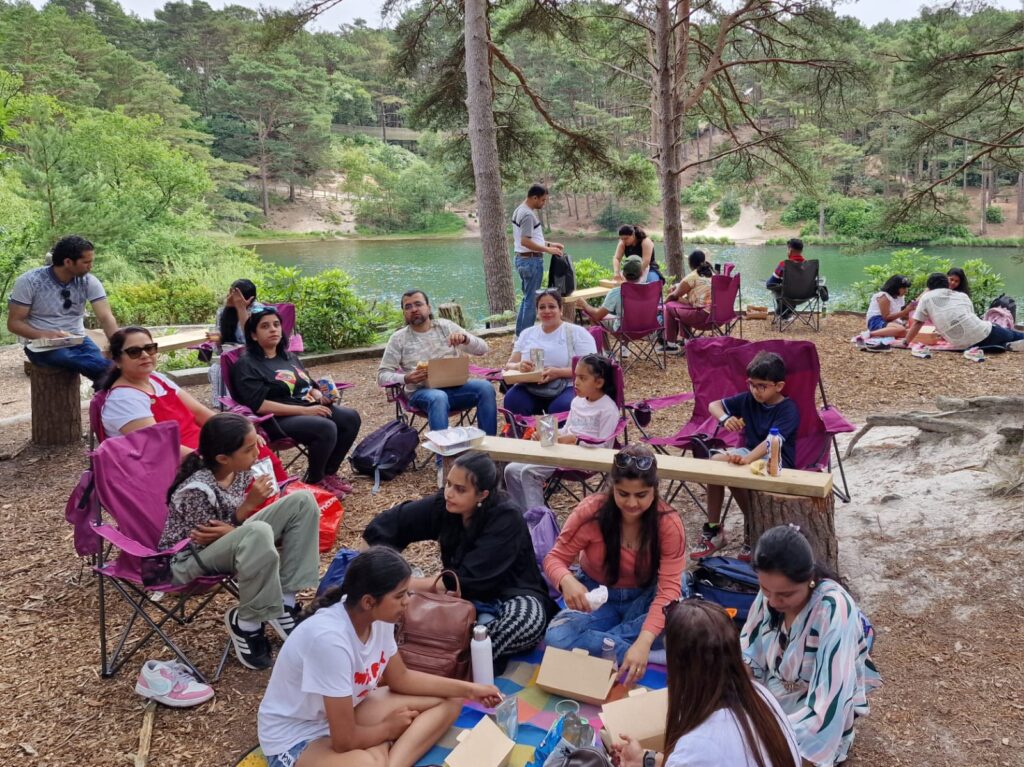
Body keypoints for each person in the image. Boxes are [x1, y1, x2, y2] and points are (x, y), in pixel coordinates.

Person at [257, 546, 502, 767]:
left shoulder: (379, 618)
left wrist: (471, 690)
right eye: (400, 596)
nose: (407, 602)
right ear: (368, 601)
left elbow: (401, 678)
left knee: (450, 699)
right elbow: (344, 740)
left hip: (348, 712)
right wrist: (387, 730)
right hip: (296, 737)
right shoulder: (330, 641)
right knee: (367, 763)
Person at [363, 452, 557, 666]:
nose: (449, 493)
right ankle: (447, 649)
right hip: (456, 596)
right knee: (387, 608)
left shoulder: (506, 516)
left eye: (460, 489)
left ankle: (453, 656)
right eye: (448, 484)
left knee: (526, 624)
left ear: (483, 495)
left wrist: (403, 585)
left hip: (511, 592)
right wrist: (368, 563)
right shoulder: (445, 505)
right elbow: (395, 522)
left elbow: (470, 578)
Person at [161, 413, 321, 671]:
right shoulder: (196, 490)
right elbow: (203, 541)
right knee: (256, 531)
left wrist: (236, 525)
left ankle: (285, 602)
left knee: (303, 502)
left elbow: (228, 529)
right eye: (249, 449)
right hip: (186, 560)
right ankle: (247, 623)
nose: (258, 453)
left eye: (256, 443)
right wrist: (248, 508)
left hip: (232, 539)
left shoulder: (240, 471)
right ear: (223, 458)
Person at [544, 444, 686, 681]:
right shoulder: (591, 512)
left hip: (645, 596)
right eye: (623, 494)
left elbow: (668, 590)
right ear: (612, 488)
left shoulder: (668, 523)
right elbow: (554, 558)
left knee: (680, 611)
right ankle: (644, 652)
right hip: (599, 597)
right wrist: (566, 580)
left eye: (641, 495)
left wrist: (644, 640)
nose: (632, 504)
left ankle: (619, 645)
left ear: (654, 490)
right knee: (557, 638)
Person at [741, 525, 881, 766]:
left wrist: (790, 756)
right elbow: (748, 652)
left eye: (785, 594)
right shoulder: (773, 593)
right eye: (765, 590)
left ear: (810, 580)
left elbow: (830, 702)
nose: (773, 601)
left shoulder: (833, 609)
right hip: (772, 695)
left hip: (813, 707)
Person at [613, 599, 800, 767]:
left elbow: (699, 757)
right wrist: (647, 760)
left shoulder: (696, 747)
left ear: (681, 669)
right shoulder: (761, 695)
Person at [98, 326, 287, 480]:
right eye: (134, 352)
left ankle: (282, 497)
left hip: (200, 443)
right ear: (117, 360)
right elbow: (161, 448)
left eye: (150, 348)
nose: (145, 355)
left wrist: (242, 430)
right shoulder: (123, 400)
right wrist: (209, 460)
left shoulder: (156, 378)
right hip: (175, 462)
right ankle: (263, 510)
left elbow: (199, 413)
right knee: (241, 459)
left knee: (254, 447)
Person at [231, 305, 361, 499]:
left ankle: (329, 473)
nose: (273, 329)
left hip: (305, 406)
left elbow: (308, 383)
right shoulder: (247, 364)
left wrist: (318, 395)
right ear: (254, 335)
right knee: (325, 427)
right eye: (265, 326)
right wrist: (306, 412)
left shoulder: (288, 357)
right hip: (275, 418)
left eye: (276, 324)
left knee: (350, 418)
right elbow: (259, 405)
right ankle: (315, 480)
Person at [691, 352, 799, 562]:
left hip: (777, 461)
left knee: (737, 471)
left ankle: (753, 528)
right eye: (751, 384)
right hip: (749, 454)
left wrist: (747, 459)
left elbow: (771, 441)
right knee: (715, 464)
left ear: (778, 386)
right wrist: (725, 419)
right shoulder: (749, 399)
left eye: (762, 386)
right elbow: (714, 405)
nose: (755, 390)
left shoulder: (788, 409)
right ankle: (714, 529)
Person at [504, 354, 621, 510]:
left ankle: (538, 522)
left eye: (582, 378)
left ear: (599, 382)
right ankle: (521, 517)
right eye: (575, 377)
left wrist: (576, 441)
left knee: (529, 472)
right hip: (563, 451)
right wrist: (545, 434)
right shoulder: (577, 401)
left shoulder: (607, 409)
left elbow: (605, 447)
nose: (576, 382)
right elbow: (566, 430)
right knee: (510, 470)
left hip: (586, 458)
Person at [377, 289, 497, 436]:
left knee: (485, 387)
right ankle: (443, 457)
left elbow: (483, 349)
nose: (414, 309)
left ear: (428, 307)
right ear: (404, 313)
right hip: (421, 393)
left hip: (456, 388)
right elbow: (382, 375)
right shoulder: (399, 338)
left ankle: (489, 448)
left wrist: (466, 339)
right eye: (408, 307)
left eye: (418, 304)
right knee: (438, 396)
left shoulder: (445, 327)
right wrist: (405, 378)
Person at [7, 235, 118, 385]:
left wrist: (119, 346)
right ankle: (119, 380)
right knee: (89, 364)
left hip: (78, 339)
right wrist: (44, 335)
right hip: (41, 345)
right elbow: (14, 323)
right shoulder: (29, 281)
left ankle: (111, 395)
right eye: (86, 262)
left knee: (102, 366)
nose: (90, 266)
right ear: (68, 262)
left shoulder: (88, 281)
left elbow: (105, 317)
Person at [503, 289, 598, 417]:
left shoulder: (577, 333)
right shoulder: (527, 334)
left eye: (552, 306)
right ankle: (521, 435)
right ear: (537, 312)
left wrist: (558, 373)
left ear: (561, 310)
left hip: (568, 386)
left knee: (561, 407)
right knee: (512, 400)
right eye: (542, 307)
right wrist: (519, 366)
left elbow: (592, 369)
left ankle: (561, 437)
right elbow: (509, 365)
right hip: (531, 386)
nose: (547, 311)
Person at [900, 273, 1024, 351]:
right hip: (984, 333)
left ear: (929, 286)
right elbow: (971, 317)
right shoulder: (961, 296)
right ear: (946, 284)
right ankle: (1010, 342)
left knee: (1003, 336)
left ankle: (1006, 345)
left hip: (960, 343)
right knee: (1013, 334)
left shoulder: (926, 297)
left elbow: (917, 323)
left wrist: (905, 342)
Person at [513, 184, 565, 336]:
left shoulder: (519, 210)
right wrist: (548, 250)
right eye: (542, 200)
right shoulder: (528, 215)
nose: (544, 203)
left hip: (522, 260)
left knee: (527, 299)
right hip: (531, 262)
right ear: (534, 197)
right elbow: (525, 241)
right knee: (531, 302)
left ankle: (519, 335)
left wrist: (549, 244)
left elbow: (531, 238)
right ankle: (526, 337)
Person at [578, 255, 645, 338]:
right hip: (648, 330)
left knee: (593, 317)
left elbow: (597, 316)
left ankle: (607, 351)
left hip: (624, 331)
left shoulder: (617, 292)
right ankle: (624, 349)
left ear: (623, 273)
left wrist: (584, 304)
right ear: (642, 273)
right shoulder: (651, 289)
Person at [662, 261, 715, 353]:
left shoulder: (693, 276)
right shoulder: (715, 276)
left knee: (669, 305)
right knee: (683, 306)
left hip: (703, 318)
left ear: (691, 264)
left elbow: (672, 296)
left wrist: (662, 305)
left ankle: (671, 345)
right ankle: (687, 340)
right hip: (718, 318)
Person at [860, 274, 914, 340]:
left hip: (890, 321)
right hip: (876, 321)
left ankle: (888, 332)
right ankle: (869, 334)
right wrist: (905, 311)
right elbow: (886, 317)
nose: (906, 291)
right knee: (901, 330)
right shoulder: (884, 297)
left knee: (911, 329)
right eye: (904, 288)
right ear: (896, 287)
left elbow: (897, 314)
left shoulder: (899, 297)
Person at [765, 238, 805, 319]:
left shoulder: (784, 264)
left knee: (775, 288)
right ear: (801, 251)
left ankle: (782, 312)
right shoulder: (809, 265)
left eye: (787, 249)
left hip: (787, 296)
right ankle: (788, 311)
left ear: (790, 250)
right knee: (790, 289)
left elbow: (770, 284)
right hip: (804, 296)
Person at [217, 278, 258, 346]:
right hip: (229, 354)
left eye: (233, 294)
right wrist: (218, 340)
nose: (228, 296)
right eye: (229, 292)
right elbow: (219, 349)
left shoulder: (259, 312)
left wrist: (241, 309)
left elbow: (253, 342)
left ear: (250, 300)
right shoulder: (222, 311)